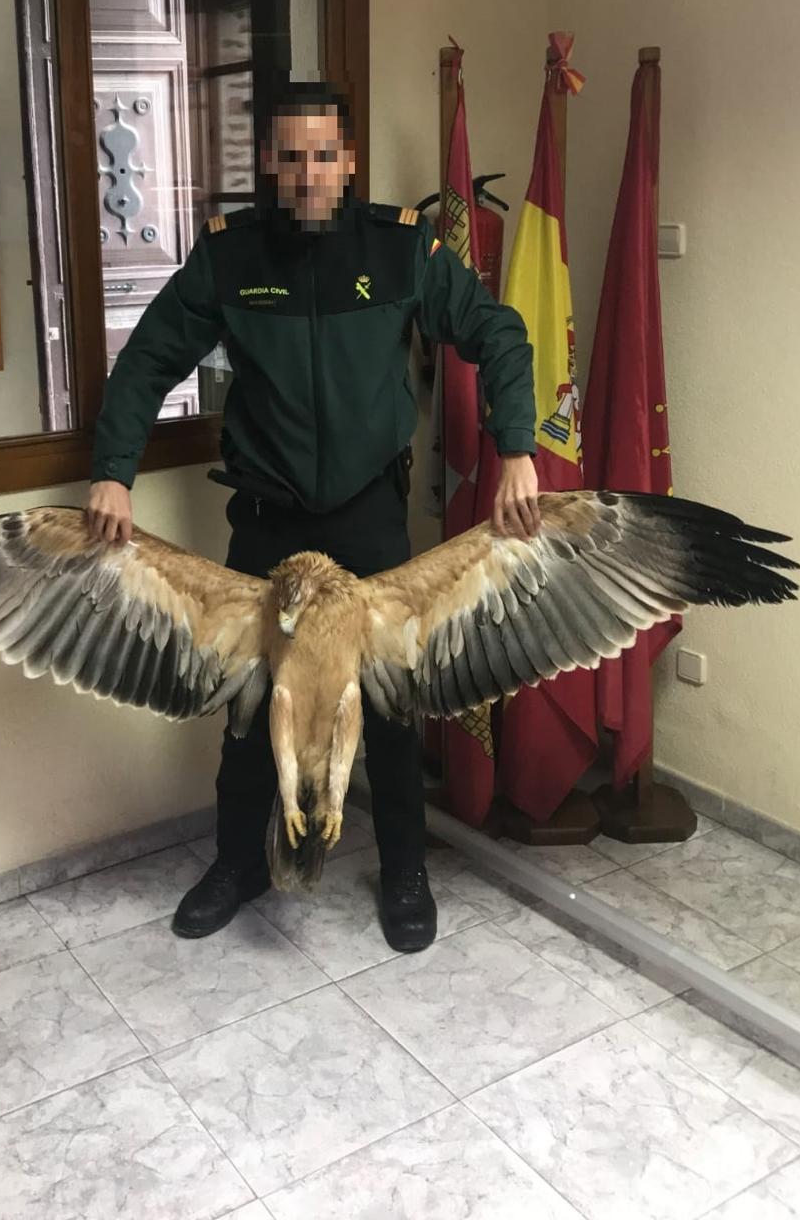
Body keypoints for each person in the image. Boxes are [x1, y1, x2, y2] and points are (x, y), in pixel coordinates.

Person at [85, 80, 540, 952]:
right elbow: (145, 362)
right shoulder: (231, 258)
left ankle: (404, 869)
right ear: (268, 162)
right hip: (269, 523)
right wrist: (113, 475)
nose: (307, 175)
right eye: (290, 158)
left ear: (349, 161)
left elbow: (499, 333)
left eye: (323, 156)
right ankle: (238, 861)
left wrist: (515, 445)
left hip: (371, 520)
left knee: (393, 706)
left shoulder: (402, 251)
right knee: (257, 708)